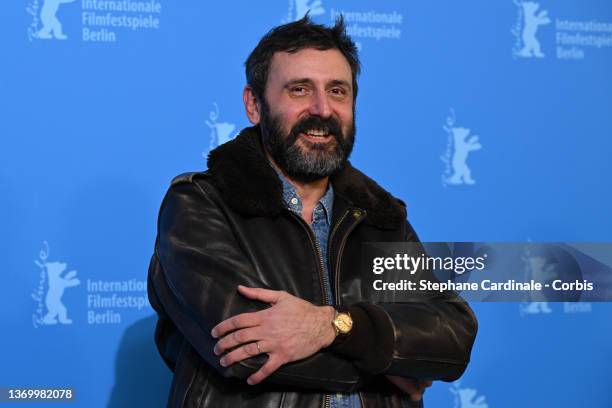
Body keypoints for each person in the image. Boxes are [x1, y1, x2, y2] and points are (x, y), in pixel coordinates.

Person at [147, 16, 478, 408]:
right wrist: (390, 360)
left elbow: (453, 340)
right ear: (254, 104)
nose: (322, 109)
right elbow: (247, 351)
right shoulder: (200, 204)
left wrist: (332, 327)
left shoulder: (380, 217)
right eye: (299, 89)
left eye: (338, 91)